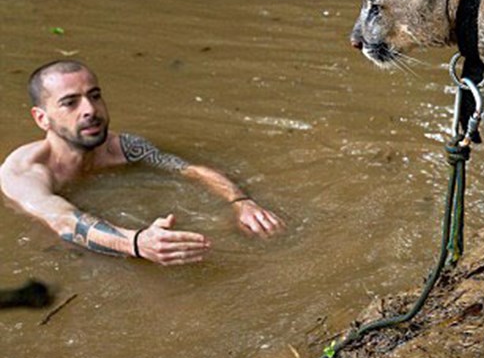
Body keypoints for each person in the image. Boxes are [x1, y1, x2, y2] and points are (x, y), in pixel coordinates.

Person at [0, 59, 285, 266]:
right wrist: (136, 243)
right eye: (70, 102)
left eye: (94, 96)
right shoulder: (23, 173)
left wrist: (240, 202)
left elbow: (190, 170)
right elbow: (63, 222)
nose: (90, 110)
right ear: (41, 118)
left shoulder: (125, 147)